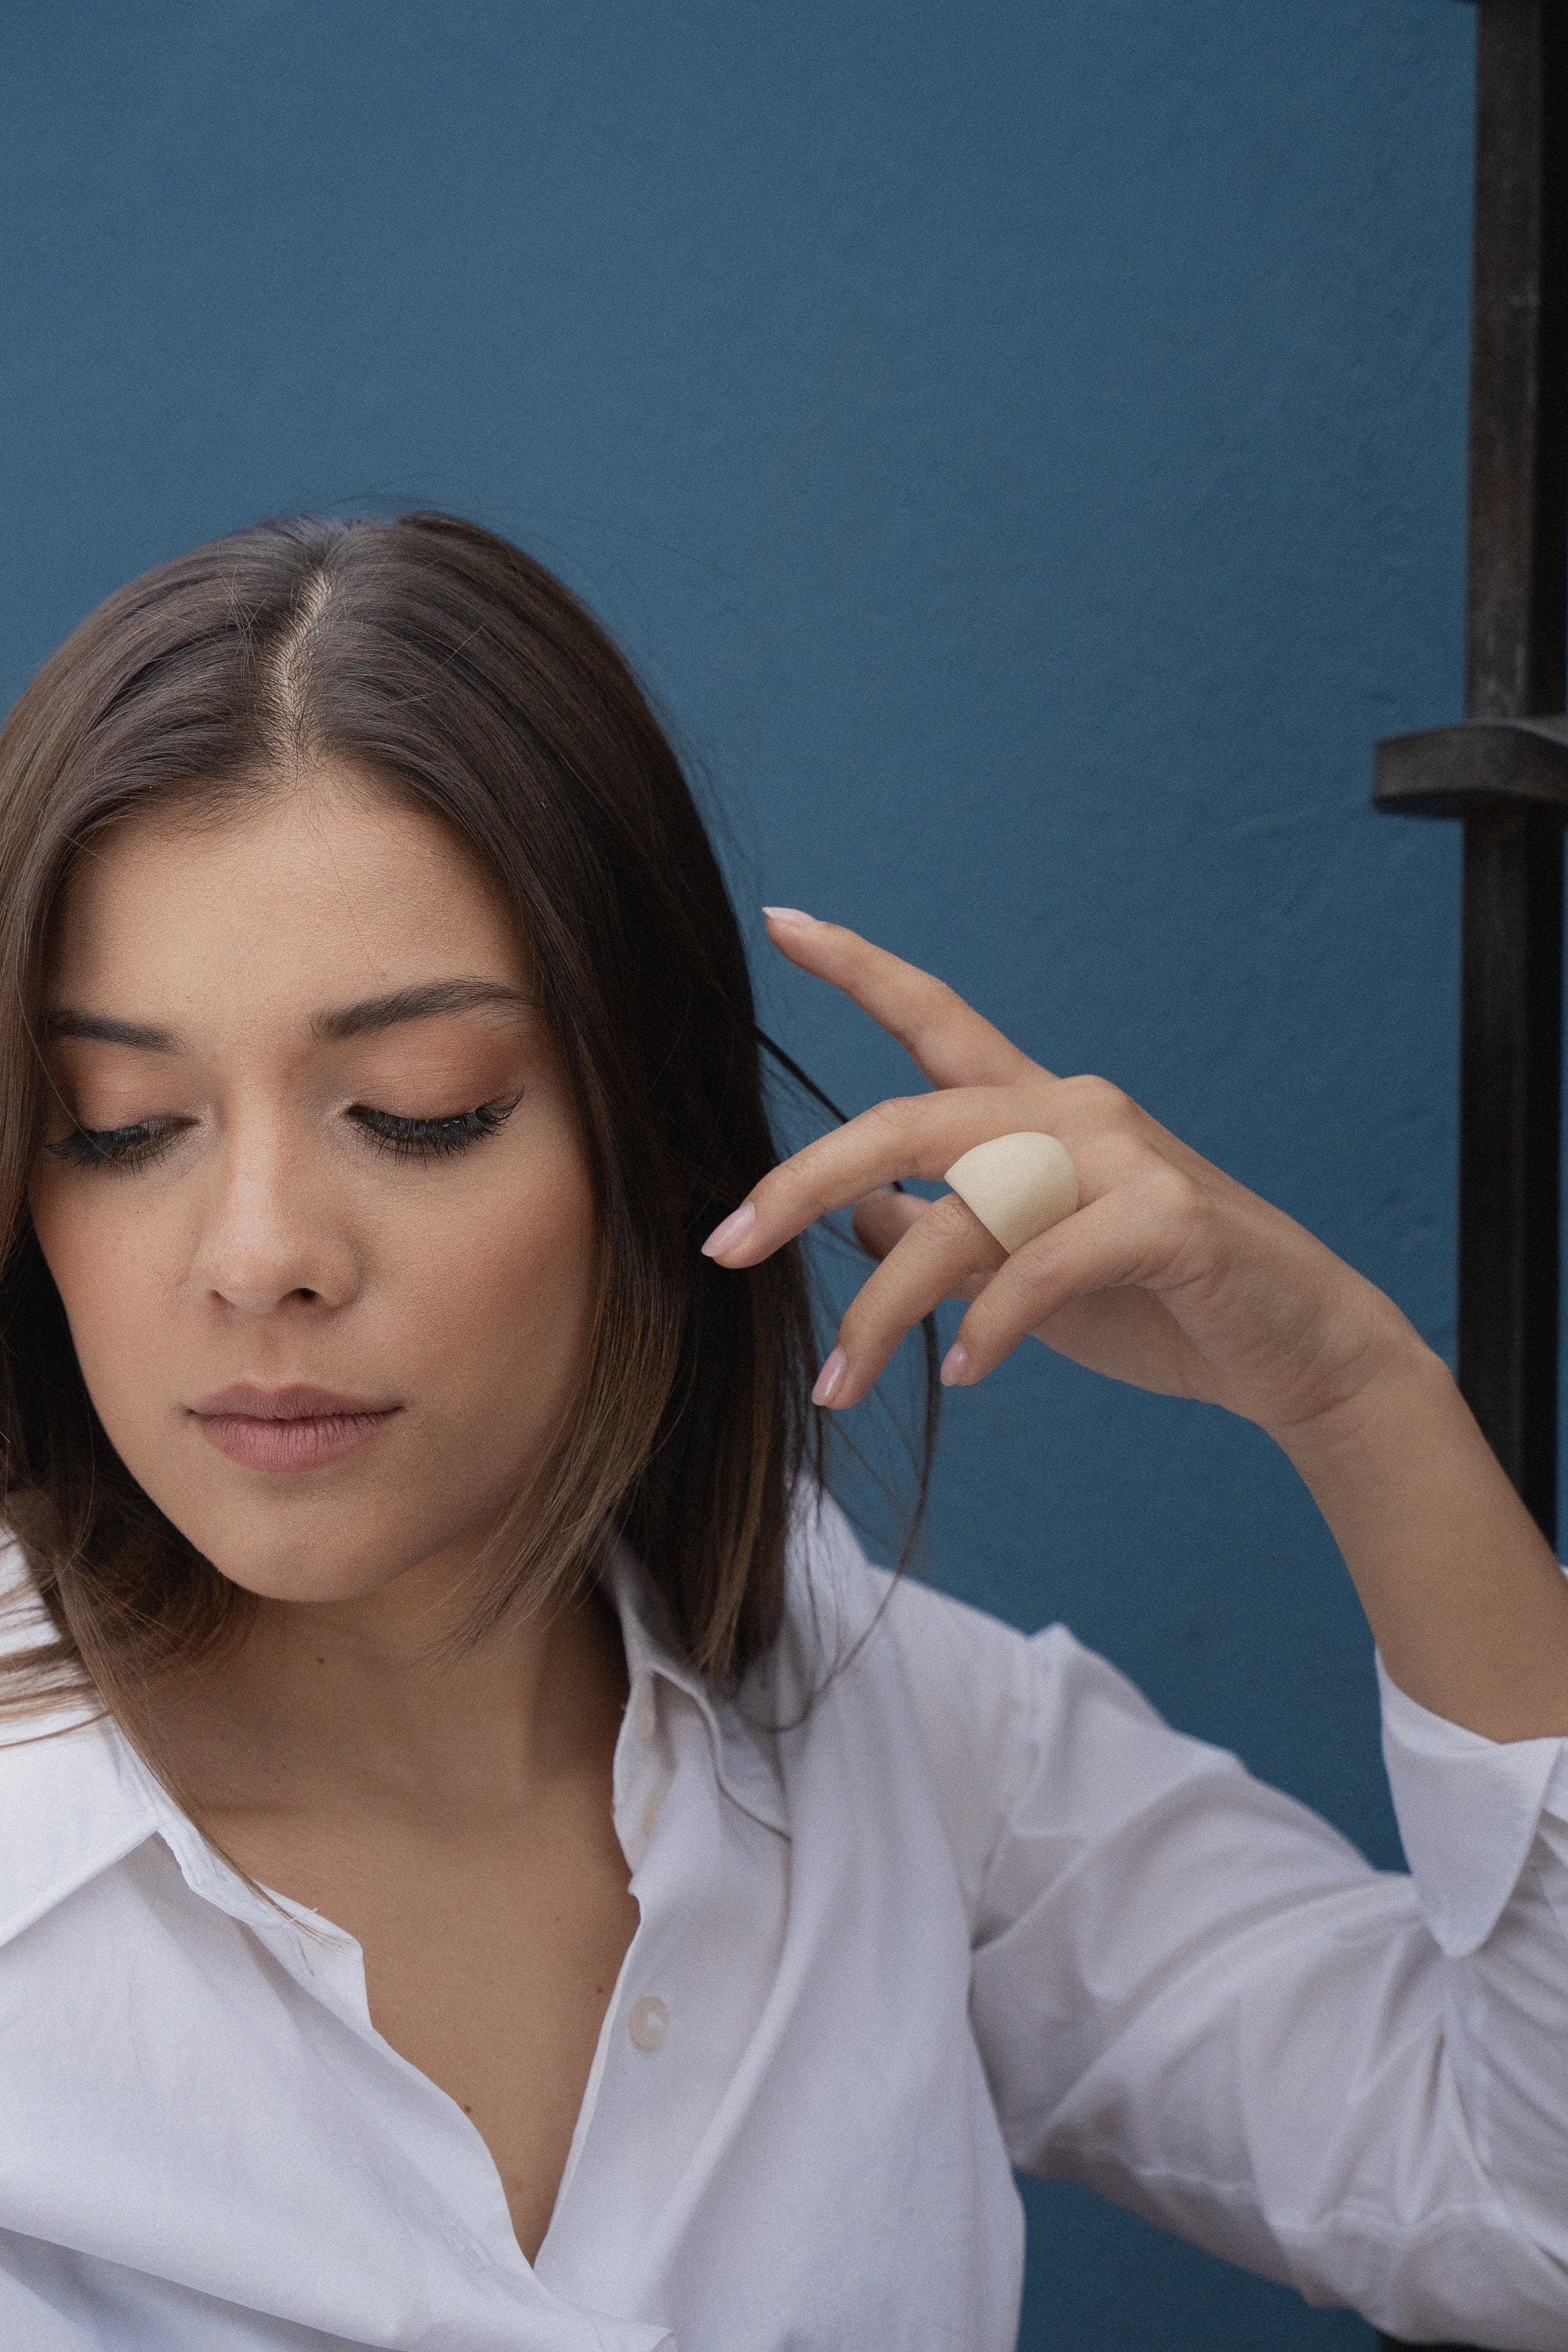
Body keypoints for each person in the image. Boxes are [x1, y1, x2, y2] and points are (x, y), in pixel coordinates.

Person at [1, 511, 1566, 2352]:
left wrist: (1353, 1392)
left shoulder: (893, 1729)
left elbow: (1521, 2212)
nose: (259, 1257)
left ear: (655, 1127)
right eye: (116, 1121)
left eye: (418, 1111)